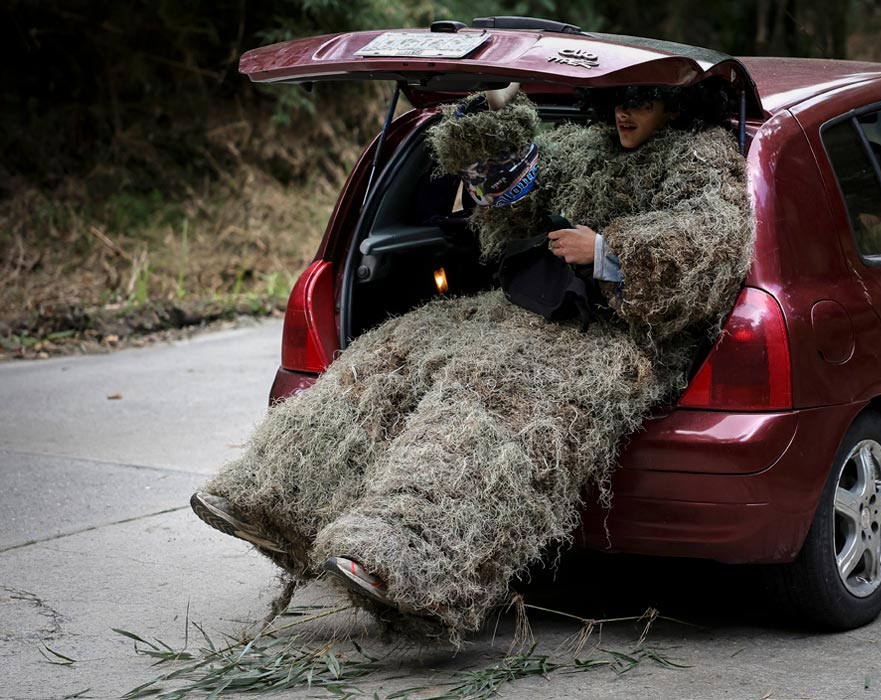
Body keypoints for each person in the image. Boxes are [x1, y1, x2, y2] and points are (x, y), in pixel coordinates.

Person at [191, 79, 755, 643]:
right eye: (618, 101)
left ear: (676, 106)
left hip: (621, 335)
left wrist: (604, 250)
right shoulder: (590, 146)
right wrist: (495, 121)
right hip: (534, 306)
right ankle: (272, 503)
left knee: (484, 403)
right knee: (392, 355)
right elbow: (514, 196)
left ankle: (411, 567)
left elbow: (711, 240)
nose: (625, 114)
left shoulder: (703, 156)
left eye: (642, 103)